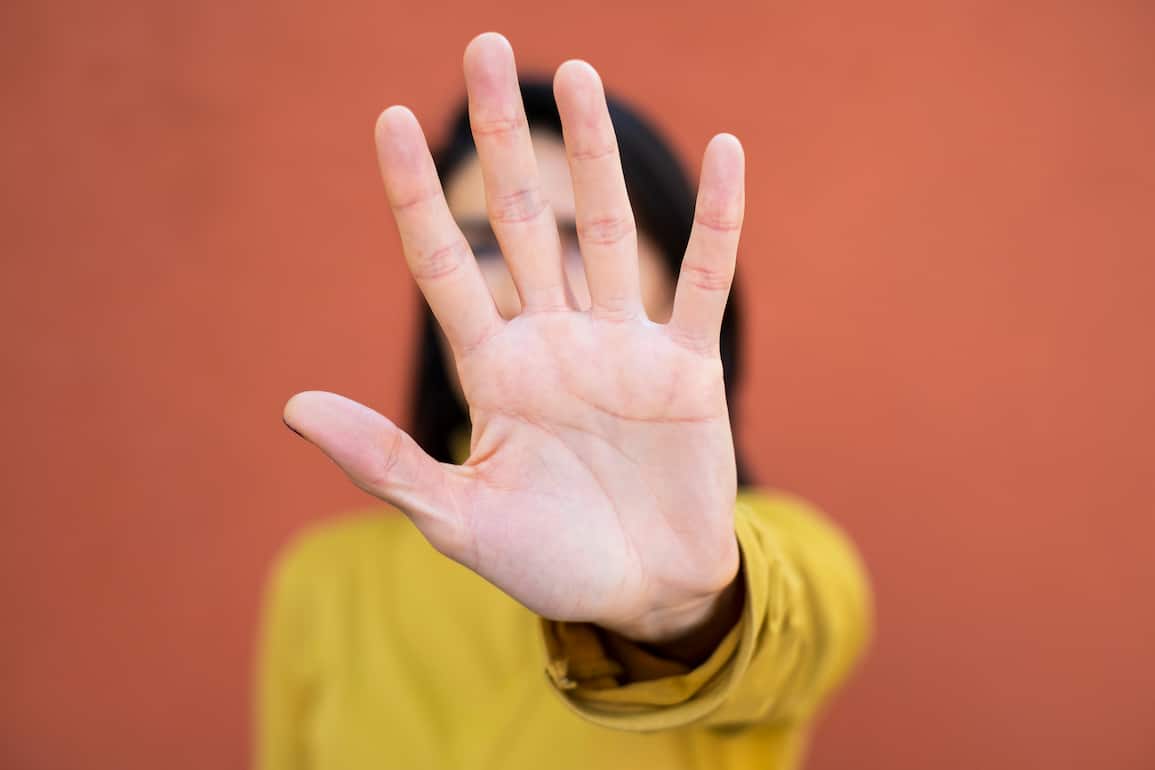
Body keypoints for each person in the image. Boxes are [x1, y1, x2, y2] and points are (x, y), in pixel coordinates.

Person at [258, 32, 871, 770]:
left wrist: (682, 612)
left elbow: (787, 644)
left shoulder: (792, 564)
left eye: (578, 236)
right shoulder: (322, 583)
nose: (524, 280)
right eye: (483, 245)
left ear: (674, 278)